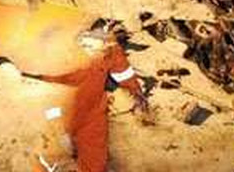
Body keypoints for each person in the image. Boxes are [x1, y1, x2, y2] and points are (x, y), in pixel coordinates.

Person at [36, 29, 149, 172]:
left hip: (93, 111)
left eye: (95, 48)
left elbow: (122, 71)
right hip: (64, 111)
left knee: (94, 160)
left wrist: (136, 92)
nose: (90, 51)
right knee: (56, 151)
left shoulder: (109, 50)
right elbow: (49, 100)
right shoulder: (60, 63)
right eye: (85, 46)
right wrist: (60, 131)